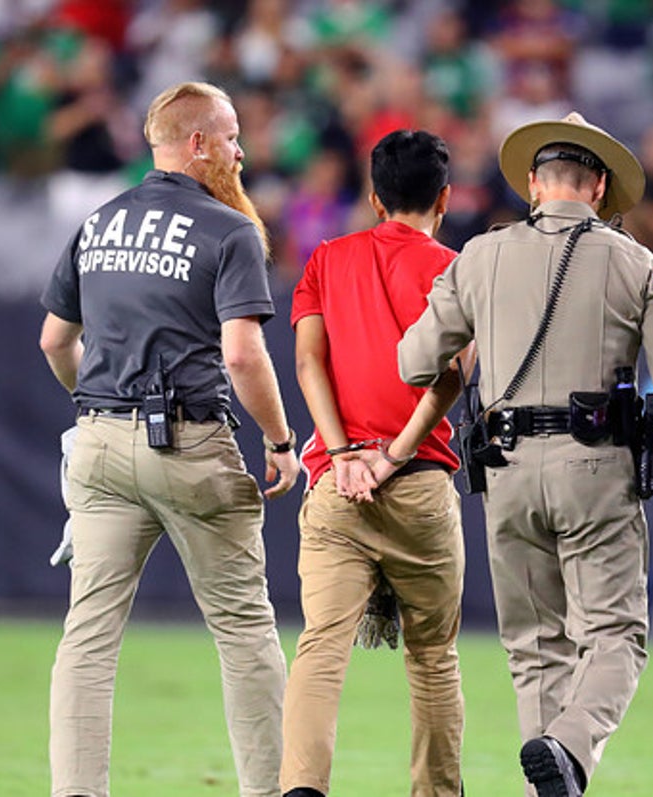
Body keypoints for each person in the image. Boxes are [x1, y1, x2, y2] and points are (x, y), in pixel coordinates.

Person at [398, 112, 653, 797]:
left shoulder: (480, 255)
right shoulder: (636, 263)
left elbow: (413, 360)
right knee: (616, 637)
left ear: (532, 184)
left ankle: (550, 771)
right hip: (595, 470)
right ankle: (571, 746)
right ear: (600, 187)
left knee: (535, 650)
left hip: (507, 472)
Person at [38, 80, 300, 797]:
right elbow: (243, 354)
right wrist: (280, 439)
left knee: (88, 637)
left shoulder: (100, 221)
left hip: (98, 441)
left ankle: (77, 791)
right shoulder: (231, 229)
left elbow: (56, 340)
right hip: (187, 443)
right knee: (244, 629)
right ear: (198, 145)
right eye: (231, 136)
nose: (242, 151)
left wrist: (93, 409)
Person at [281, 129, 470, 797]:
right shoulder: (453, 268)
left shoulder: (327, 258)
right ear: (443, 197)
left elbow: (307, 362)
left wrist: (342, 454)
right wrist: (393, 455)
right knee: (433, 659)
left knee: (321, 650)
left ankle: (301, 789)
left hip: (339, 485)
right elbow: (450, 378)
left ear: (372, 197)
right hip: (418, 484)